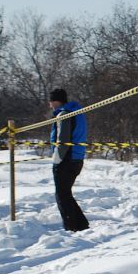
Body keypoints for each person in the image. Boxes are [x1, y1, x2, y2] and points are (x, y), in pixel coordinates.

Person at [49, 89, 89, 232]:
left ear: (55, 101)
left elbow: (63, 140)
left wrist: (56, 159)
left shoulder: (64, 114)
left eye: (50, 101)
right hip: (77, 158)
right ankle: (81, 225)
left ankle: (71, 227)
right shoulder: (76, 112)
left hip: (66, 159)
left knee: (61, 195)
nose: (50, 105)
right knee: (66, 193)